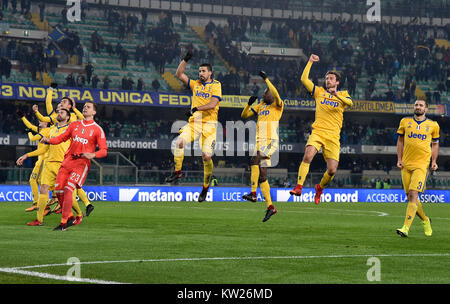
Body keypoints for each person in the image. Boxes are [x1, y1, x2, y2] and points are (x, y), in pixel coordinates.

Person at [290, 54, 353, 204]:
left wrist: (336, 95)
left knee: (332, 170)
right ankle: (299, 187)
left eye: (331, 79)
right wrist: (310, 62)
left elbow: (350, 104)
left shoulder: (343, 95)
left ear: (337, 82)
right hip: (318, 131)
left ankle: (320, 188)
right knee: (308, 156)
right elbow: (304, 80)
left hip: (333, 136)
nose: (328, 80)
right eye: (327, 78)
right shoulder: (319, 92)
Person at [165, 51, 222, 202]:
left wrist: (196, 109)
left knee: (206, 156)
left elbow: (213, 104)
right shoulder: (195, 84)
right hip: (195, 123)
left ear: (210, 73)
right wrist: (185, 59)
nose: (200, 73)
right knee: (179, 142)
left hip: (209, 126)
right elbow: (179, 74)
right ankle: (177, 171)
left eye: (203, 71)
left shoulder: (216, 85)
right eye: (199, 71)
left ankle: (205, 187)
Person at [41, 101, 107, 231]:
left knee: (68, 188)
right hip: (67, 161)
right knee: (59, 190)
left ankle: (63, 223)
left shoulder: (97, 129)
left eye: (88, 107)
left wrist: (92, 155)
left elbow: (104, 150)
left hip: (81, 163)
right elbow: (61, 138)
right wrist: (49, 140)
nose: (85, 108)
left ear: (94, 112)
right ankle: (70, 216)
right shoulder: (74, 125)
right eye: (84, 107)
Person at [17, 108, 81, 226]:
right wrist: (27, 155)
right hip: (49, 163)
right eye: (58, 112)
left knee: (66, 193)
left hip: (63, 165)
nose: (59, 114)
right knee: (43, 189)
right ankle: (39, 220)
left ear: (67, 117)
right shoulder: (51, 129)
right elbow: (45, 148)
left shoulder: (70, 129)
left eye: (62, 113)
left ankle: (78, 214)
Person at [241, 71, 284, 222]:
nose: (265, 94)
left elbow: (276, 93)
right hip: (259, 142)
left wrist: (266, 79)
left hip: (270, 141)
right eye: (265, 92)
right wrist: (248, 104)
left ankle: (253, 193)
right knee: (263, 175)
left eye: (267, 92)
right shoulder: (260, 106)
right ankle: (270, 207)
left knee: (254, 159)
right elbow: (244, 116)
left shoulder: (278, 105)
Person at [395, 99, 439, 237]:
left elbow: (435, 144)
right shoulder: (405, 122)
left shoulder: (433, 125)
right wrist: (399, 159)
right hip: (406, 164)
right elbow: (400, 141)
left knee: (414, 194)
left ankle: (405, 228)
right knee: (410, 197)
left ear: (426, 109)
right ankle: (425, 220)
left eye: (421, 105)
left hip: (421, 165)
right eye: (416, 105)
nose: (418, 107)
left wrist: (434, 161)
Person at [16, 109, 50, 212]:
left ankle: (37, 203)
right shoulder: (42, 130)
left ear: (46, 122)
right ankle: (46, 205)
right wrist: (22, 117)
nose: (39, 121)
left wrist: (29, 133)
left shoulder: (46, 131)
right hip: (42, 159)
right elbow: (30, 126)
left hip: (42, 160)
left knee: (33, 180)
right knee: (41, 182)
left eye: (41, 120)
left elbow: (32, 139)